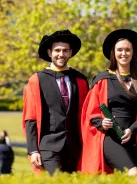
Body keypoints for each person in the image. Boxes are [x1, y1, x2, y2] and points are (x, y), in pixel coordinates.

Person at [79, 29, 137, 176]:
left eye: (128, 50)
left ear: (133, 53)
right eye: (120, 50)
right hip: (110, 138)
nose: (124, 53)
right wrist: (102, 122)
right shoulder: (102, 80)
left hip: (134, 138)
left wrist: (132, 130)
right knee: (134, 174)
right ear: (113, 53)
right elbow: (91, 112)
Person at [22, 29, 89, 175]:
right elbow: (30, 117)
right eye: (57, 50)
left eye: (65, 50)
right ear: (49, 52)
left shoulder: (80, 80)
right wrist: (33, 150)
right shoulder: (37, 80)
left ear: (71, 53)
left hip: (75, 146)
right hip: (49, 145)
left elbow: (86, 115)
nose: (61, 54)